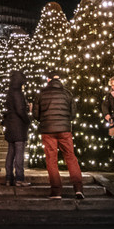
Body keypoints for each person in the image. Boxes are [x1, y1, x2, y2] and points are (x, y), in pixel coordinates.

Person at [33, 71, 84, 199]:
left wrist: (45, 119)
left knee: (51, 160)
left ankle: (56, 191)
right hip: (65, 130)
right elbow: (73, 114)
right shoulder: (67, 93)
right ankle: (78, 188)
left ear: (48, 79)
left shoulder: (41, 94)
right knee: (70, 157)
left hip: (48, 131)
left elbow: (35, 115)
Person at [2, 70, 31, 186]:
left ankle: (9, 178)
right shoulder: (17, 92)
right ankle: (19, 178)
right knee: (19, 153)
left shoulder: (9, 92)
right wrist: (27, 119)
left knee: (11, 153)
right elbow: (19, 110)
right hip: (18, 126)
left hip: (10, 126)